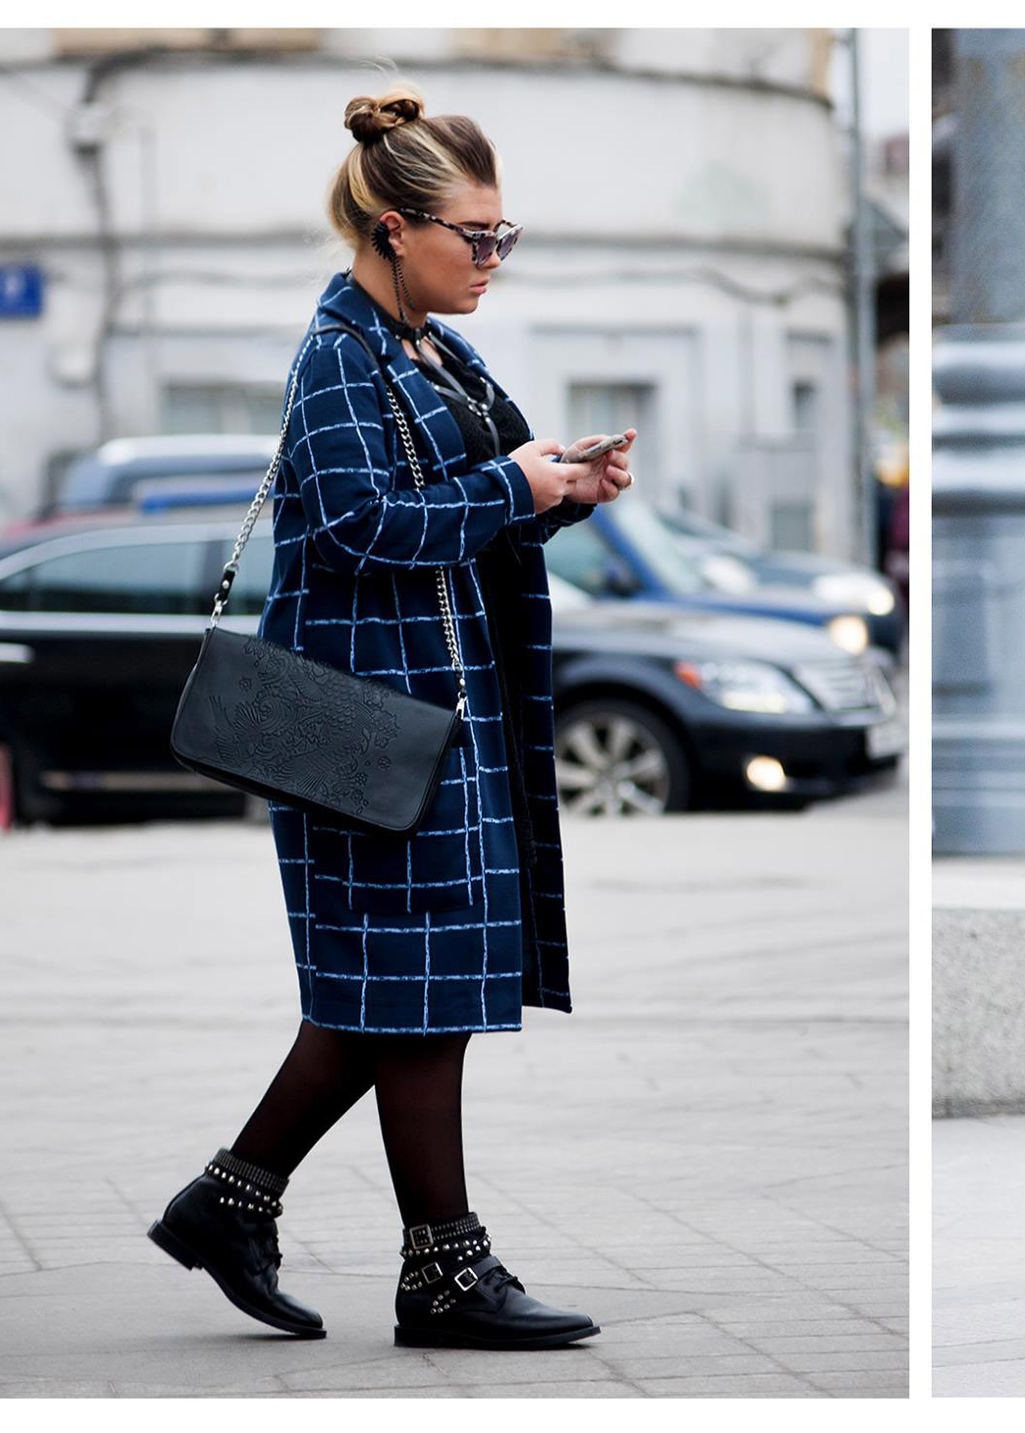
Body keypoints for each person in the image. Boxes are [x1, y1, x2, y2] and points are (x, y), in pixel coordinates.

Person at [146, 84, 636, 1351]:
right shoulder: (338, 354)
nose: (491, 258)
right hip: (362, 725)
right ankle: (425, 1264)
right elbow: (361, 526)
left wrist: (559, 492)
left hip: (443, 718)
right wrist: (504, 482)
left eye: (499, 234)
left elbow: (461, 516)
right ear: (390, 226)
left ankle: (259, 1209)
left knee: (418, 985)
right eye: (472, 235)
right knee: (405, 987)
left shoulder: (429, 345)